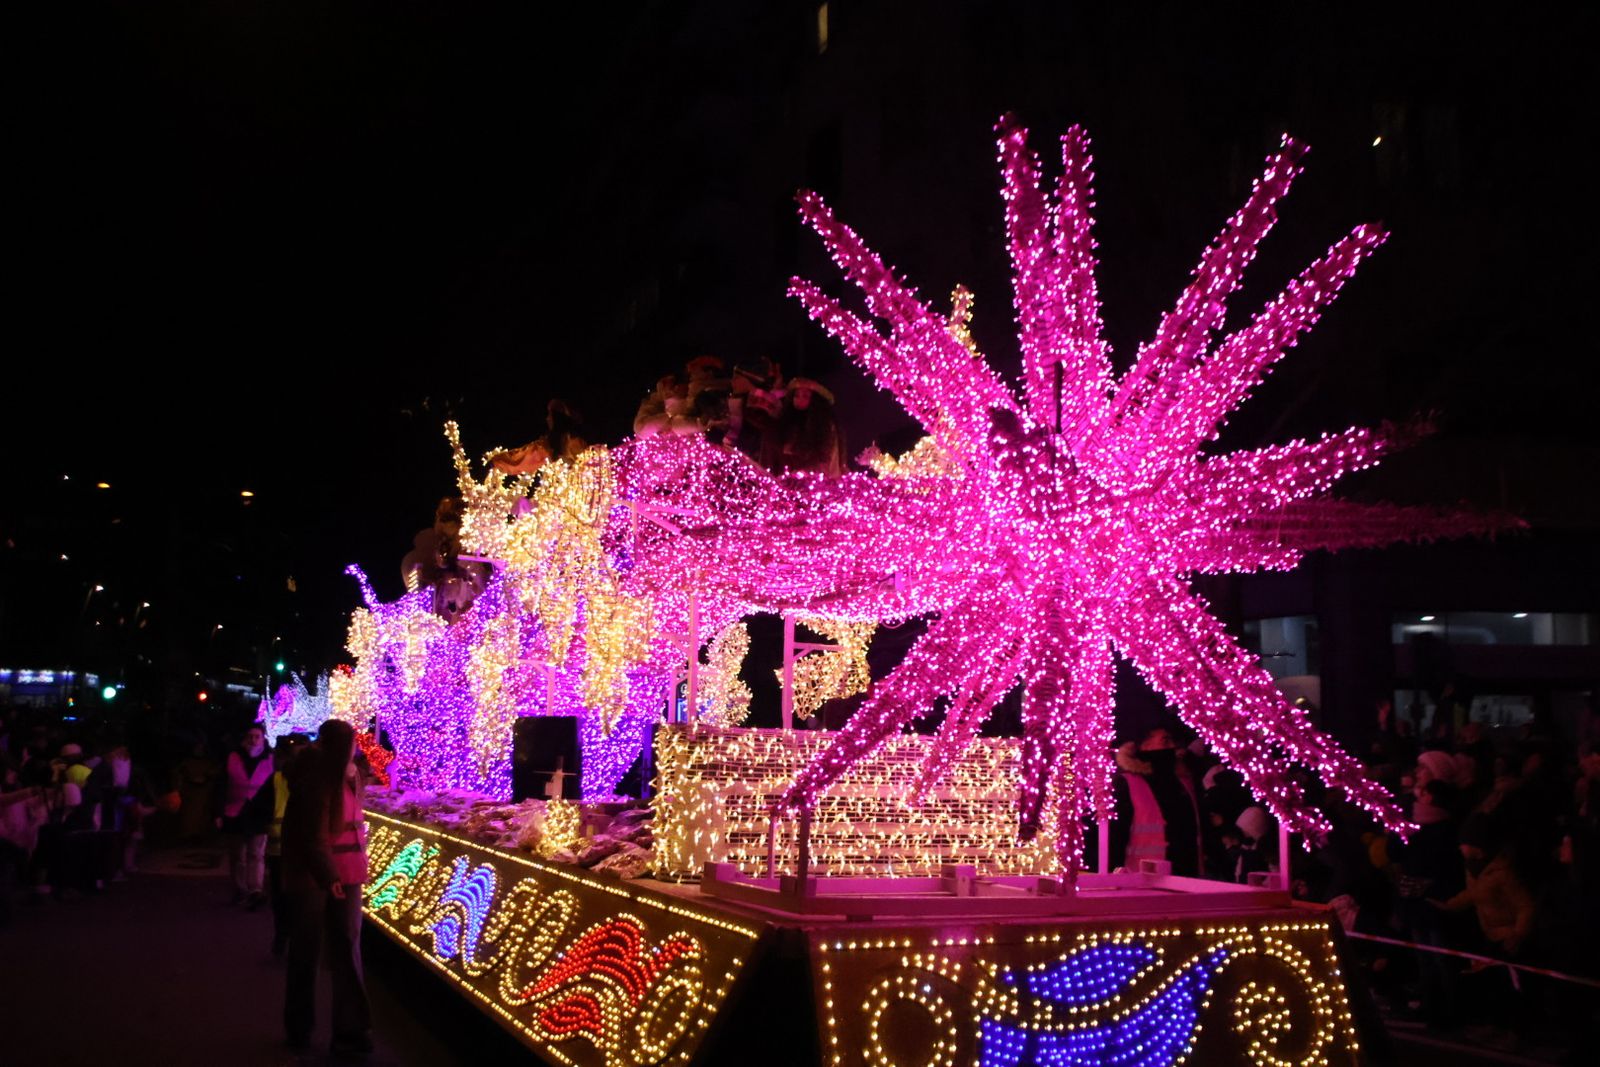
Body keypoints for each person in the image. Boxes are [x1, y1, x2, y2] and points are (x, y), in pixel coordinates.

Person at [281, 720, 371, 1057]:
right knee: (307, 949)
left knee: (347, 949)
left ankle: (350, 1030)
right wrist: (328, 875)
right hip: (315, 876)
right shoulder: (317, 777)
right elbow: (312, 834)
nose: (357, 749)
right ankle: (300, 1027)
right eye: (352, 743)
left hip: (347, 872)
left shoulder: (349, 774)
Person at [220, 724, 273, 907]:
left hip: (258, 813)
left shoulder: (270, 759)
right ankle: (239, 888)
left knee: (256, 854)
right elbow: (221, 785)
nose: (253, 740)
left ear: (263, 739)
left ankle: (255, 889)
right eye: (250, 736)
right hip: (235, 811)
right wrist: (218, 812)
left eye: (257, 736)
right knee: (237, 855)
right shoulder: (233, 757)